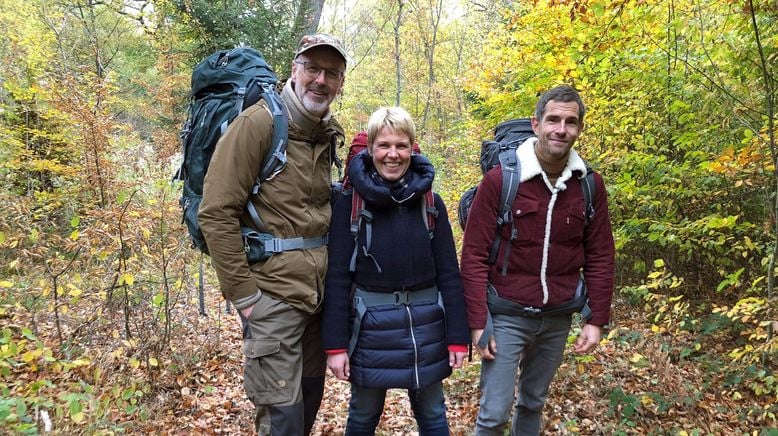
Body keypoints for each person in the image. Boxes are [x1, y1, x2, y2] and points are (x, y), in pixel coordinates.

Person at [198, 33, 348, 435]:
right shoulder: (259, 123)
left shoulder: (323, 132)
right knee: (281, 420)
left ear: (341, 82)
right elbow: (215, 213)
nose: (320, 80)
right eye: (313, 68)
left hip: (315, 301)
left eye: (331, 73)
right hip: (273, 299)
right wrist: (247, 299)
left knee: (307, 407)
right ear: (295, 71)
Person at [460, 84, 615, 435]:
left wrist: (597, 319)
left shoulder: (589, 185)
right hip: (505, 315)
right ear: (536, 123)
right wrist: (477, 320)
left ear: (579, 128)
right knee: (493, 414)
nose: (561, 129)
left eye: (570, 122)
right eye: (553, 120)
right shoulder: (502, 181)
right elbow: (473, 256)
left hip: (557, 318)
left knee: (533, 404)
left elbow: (601, 254)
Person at [322, 107, 470, 435]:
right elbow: (337, 278)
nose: (393, 154)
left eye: (401, 146)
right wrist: (335, 346)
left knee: (433, 415)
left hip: (426, 328)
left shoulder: (430, 201)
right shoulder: (350, 203)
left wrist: (458, 338)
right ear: (372, 148)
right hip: (370, 329)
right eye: (384, 145)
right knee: (363, 415)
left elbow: (448, 272)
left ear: (413, 149)